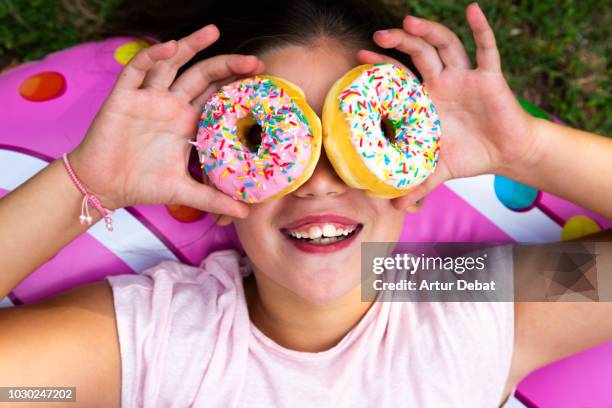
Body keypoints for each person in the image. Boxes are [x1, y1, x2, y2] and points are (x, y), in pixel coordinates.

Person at [0, 1, 611, 406]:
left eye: (363, 140)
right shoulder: (156, 340)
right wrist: (90, 182)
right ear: (211, 178)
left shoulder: (459, 300)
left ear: (422, 161)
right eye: (265, 143)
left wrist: (524, 150)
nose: (318, 183)